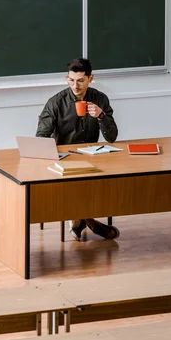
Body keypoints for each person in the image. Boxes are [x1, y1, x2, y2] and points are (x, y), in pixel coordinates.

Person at [36, 58, 120, 242]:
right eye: (71, 80)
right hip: (64, 161)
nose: (75, 85)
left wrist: (101, 116)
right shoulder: (56, 102)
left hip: (93, 157)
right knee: (77, 182)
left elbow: (112, 137)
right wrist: (55, 154)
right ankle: (90, 223)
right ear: (67, 79)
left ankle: (78, 221)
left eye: (81, 80)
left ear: (90, 78)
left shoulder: (100, 99)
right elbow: (41, 136)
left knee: (108, 179)